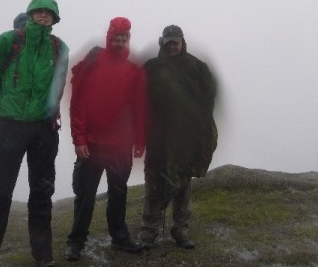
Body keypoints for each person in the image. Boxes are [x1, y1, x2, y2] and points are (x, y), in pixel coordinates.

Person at [0, 0, 69, 267]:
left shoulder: (60, 48)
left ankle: (43, 257)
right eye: (39, 11)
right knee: (0, 193)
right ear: (31, 13)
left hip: (44, 129)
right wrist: (1, 111)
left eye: (49, 12)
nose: (44, 15)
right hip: (9, 126)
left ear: (55, 18)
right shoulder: (6, 41)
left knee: (42, 193)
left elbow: (58, 87)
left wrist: (50, 116)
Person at [65, 17, 146, 261]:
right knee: (85, 195)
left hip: (120, 145)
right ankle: (76, 241)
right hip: (92, 143)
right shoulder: (92, 63)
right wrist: (79, 139)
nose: (120, 42)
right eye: (116, 38)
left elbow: (139, 108)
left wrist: (140, 141)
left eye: (124, 38)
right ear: (109, 38)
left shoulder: (133, 70)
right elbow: (77, 103)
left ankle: (120, 238)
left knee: (118, 194)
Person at [140, 24, 217, 250]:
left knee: (182, 185)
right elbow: (140, 102)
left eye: (175, 41)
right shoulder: (150, 68)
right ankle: (149, 230)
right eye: (168, 42)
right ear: (162, 43)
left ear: (182, 42)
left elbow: (207, 103)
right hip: (157, 138)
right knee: (154, 184)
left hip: (185, 139)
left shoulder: (198, 68)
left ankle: (180, 229)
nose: (172, 45)